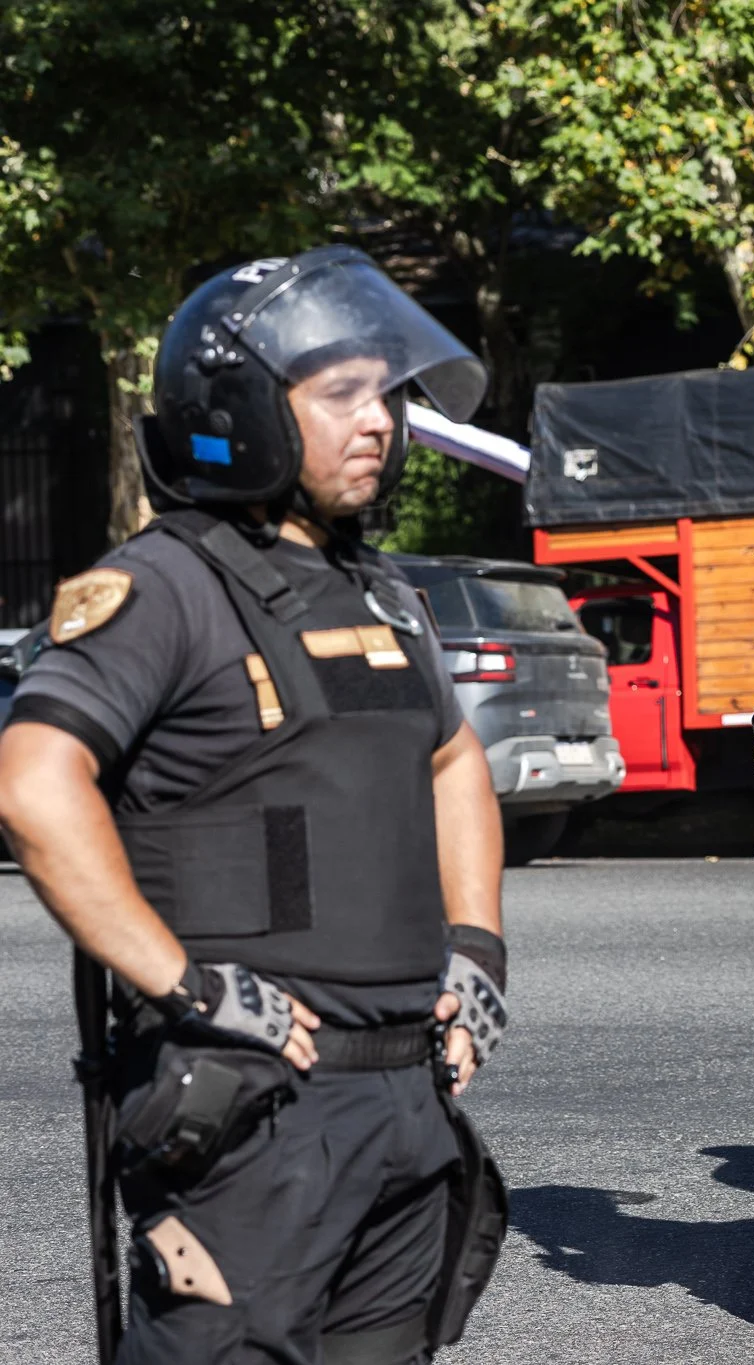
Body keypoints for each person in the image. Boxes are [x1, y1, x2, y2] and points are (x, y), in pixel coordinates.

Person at [0, 246, 509, 1365]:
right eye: (341, 394)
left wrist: (475, 957)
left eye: (386, 391)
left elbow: (452, 763)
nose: (379, 419)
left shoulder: (381, 591)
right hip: (250, 1120)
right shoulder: (162, 585)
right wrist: (180, 981)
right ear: (236, 410)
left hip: (404, 1105)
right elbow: (35, 783)